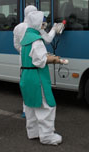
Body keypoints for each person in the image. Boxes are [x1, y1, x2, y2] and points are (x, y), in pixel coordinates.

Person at [20, 10, 67, 145]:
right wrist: (55, 59)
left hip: (26, 76)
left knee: (30, 105)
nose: (44, 26)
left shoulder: (26, 38)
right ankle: (47, 136)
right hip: (36, 77)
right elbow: (40, 61)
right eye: (43, 23)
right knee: (46, 106)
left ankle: (33, 133)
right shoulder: (37, 41)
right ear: (38, 24)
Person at [13, 5, 64, 117]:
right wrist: (54, 29)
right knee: (38, 85)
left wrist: (25, 52)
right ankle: (39, 109)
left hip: (23, 60)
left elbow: (16, 45)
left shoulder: (17, 27)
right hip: (35, 61)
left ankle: (26, 111)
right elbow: (48, 40)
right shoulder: (36, 27)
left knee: (26, 85)